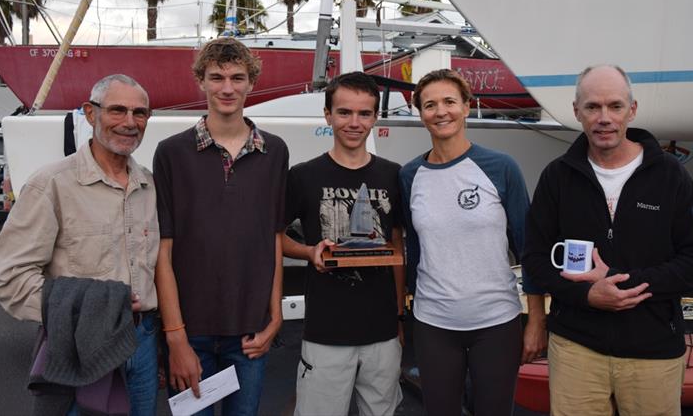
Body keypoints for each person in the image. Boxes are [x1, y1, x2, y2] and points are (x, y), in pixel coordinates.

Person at [522, 64, 693, 416]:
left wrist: (624, 284)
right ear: (576, 111)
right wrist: (588, 295)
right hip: (576, 348)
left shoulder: (670, 175)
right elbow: (534, 258)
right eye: (593, 107)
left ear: (633, 109)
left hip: (652, 349)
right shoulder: (557, 177)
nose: (604, 118)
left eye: (615, 106)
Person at [0, 74, 160, 415]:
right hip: (82, 342)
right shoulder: (51, 184)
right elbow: (9, 275)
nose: (129, 123)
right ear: (91, 114)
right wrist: (79, 311)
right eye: (117, 110)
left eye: (139, 113)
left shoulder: (150, 187)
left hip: (144, 343)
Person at [399, 69, 546, 416]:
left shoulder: (500, 167)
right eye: (429, 105)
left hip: (496, 321)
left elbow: (529, 247)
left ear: (467, 107)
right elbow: (416, 249)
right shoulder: (409, 176)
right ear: (420, 114)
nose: (440, 111)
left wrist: (537, 321)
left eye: (450, 101)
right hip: (434, 323)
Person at [153, 37, 288, 416]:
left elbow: (273, 237)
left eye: (237, 77)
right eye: (216, 77)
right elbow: (163, 250)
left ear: (251, 83)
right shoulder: (172, 152)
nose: (227, 88)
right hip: (190, 333)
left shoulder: (274, 151)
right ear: (201, 81)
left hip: (250, 332)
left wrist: (275, 317)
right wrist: (175, 337)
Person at [280, 71, 405, 416]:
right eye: (344, 112)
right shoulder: (303, 175)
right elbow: (272, 237)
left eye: (364, 113)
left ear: (375, 118)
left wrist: (398, 317)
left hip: (383, 333)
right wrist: (308, 251)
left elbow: (396, 244)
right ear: (327, 115)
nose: (354, 122)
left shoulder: (393, 175)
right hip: (325, 332)